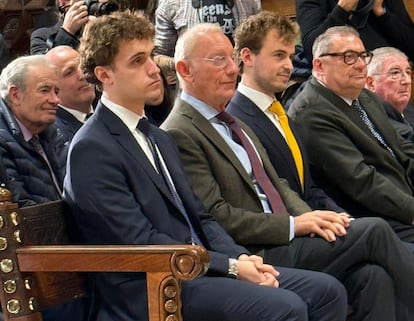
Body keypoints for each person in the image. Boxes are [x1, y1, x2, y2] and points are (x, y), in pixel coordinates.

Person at [63, 10, 348, 321]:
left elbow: (201, 216)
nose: (152, 69)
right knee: (285, 307)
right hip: (152, 285)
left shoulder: (157, 136)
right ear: (105, 75)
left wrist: (241, 257)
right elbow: (140, 240)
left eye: (150, 57)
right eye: (137, 61)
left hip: (196, 268)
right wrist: (230, 267)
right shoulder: (91, 148)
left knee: (326, 291)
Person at [161, 16, 414, 321]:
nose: (231, 69)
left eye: (230, 59)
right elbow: (217, 215)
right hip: (257, 249)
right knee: (375, 230)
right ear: (185, 70)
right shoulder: (179, 131)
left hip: (288, 234)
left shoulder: (230, 120)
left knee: (373, 277)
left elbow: (277, 183)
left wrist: (310, 217)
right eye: (219, 60)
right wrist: (296, 225)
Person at [288, 26, 414, 243]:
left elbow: (401, 150)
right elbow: (362, 181)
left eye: (363, 56)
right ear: (319, 65)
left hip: (400, 200)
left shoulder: (364, 96)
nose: (359, 64)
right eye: (348, 57)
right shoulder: (311, 112)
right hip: (372, 217)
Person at [227, 11, 343, 212]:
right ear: (247, 57)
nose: (289, 66)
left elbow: (309, 188)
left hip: (317, 222)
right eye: (279, 55)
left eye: (290, 56)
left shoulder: (281, 113)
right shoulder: (234, 120)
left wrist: (344, 219)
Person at [0, 55, 84, 321]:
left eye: (56, 91)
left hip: (62, 251)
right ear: (15, 94)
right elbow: (22, 211)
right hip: (26, 264)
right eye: (45, 90)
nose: (56, 100)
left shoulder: (51, 131)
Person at [154, 0, 261, 89]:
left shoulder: (250, 3)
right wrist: (190, 66)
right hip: (196, 91)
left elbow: (258, 48)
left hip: (241, 88)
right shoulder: (171, 4)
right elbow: (157, 56)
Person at [296, 0, 414, 64]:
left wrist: (381, 13)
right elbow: (312, 49)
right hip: (346, 76)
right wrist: (343, 9)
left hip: (389, 74)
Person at [45, 45, 95, 141]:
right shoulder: (53, 135)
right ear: (52, 86)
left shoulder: (110, 110)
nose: (82, 75)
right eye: (69, 72)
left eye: (83, 66)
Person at [366, 46, 414, 143]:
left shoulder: (410, 110)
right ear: (371, 83)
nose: (407, 81)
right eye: (395, 73)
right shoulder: (370, 121)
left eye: (408, 72)